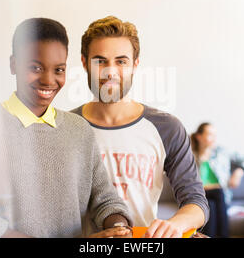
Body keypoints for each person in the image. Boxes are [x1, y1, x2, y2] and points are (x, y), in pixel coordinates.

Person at [0, 18, 133, 238]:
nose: (48, 80)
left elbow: (105, 200)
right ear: (13, 64)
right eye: (35, 67)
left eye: (58, 69)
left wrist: (118, 229)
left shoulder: (79, 130)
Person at [71, 16, 209, 238]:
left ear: (135, 64)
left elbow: (196, 202)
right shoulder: (65, 128)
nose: (110, 72)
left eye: (121, 61)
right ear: (85, 63)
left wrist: (175, 225)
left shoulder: (167, 128)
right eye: (100, 61)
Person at [191, 122, 244, 237]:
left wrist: (238, 172)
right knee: (217, 193)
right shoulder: (191, 157)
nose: (214, 138)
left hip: (217, 198)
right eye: (210, 134)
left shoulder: (222, 152)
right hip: (200, 195)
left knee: (211, 204)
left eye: (215, 135)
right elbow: (189, 184)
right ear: (199, 137)